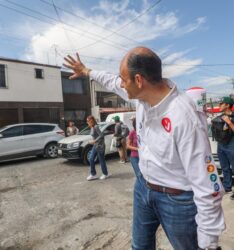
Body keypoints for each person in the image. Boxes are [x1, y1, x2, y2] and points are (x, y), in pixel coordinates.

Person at [63, 47, 225, 250]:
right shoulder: (141, 95)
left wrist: (209, 242)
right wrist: (86, 71)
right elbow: (110, 81)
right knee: (139, 247)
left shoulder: (184, 117)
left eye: (124, 79)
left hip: (177, 200)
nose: (120, 83)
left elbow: (206, 183)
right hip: (143, 187)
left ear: (139, 80)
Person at [213, 97, 234, 198]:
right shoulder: (220, 117)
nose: (219, 105)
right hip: (221, 145)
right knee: (225, 167)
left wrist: (229, 122)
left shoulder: (232, 116)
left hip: (231, 145)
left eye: (221, 104)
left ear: (227, 105)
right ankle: (227, 187)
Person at [86, 115, 109, 181]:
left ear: (92, 120)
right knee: (91, 158)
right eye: (87, 121)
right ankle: (93, 174)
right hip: (95, 145)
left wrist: (94, 141)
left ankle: (105, 174)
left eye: (88, 121)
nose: (87, 122)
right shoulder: (92, 127)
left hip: (100, 146)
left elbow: (102, 135)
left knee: (101, 160)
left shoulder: (96, 127)